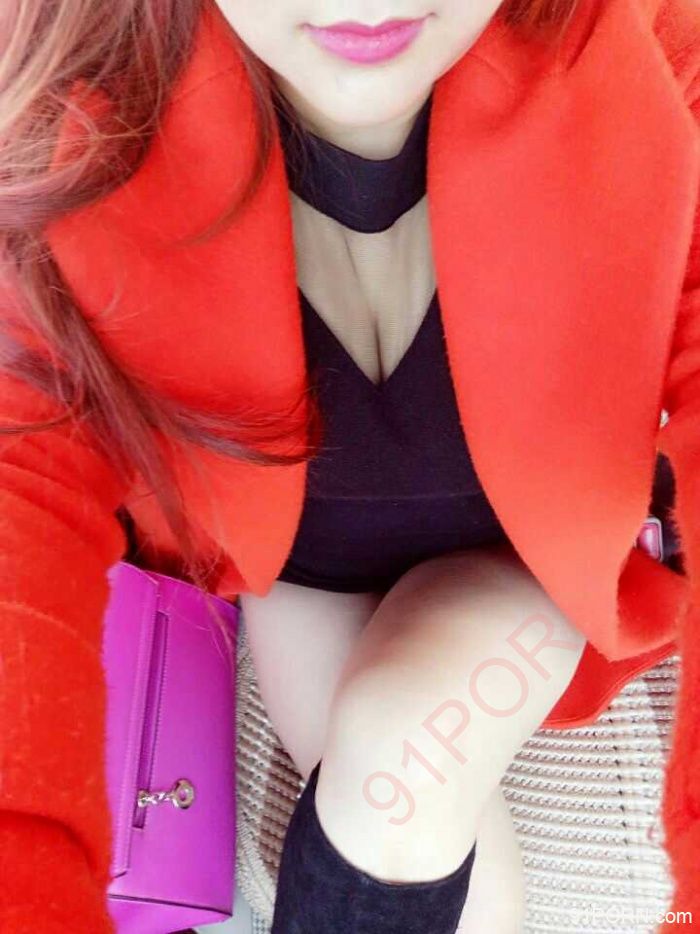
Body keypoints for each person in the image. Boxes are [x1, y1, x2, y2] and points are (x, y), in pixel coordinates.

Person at [0, 0, 698, 931]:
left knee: (399, 756)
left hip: (528, 561)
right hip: (303, 574)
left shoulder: (649, 54)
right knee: (392, 804)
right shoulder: (71, 119)